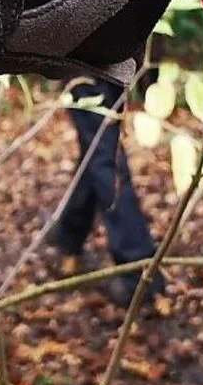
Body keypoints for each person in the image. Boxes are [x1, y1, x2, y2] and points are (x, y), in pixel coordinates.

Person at [46, 79, 164, 308]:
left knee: (103, 156)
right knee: (97, 149)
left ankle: (138, 272)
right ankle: (70, 239)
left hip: (90, 60)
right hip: (105, 59)